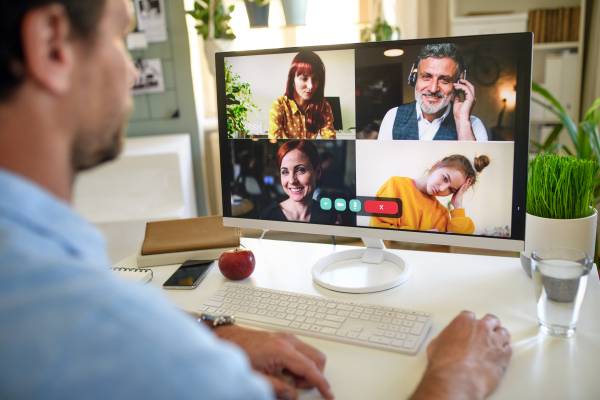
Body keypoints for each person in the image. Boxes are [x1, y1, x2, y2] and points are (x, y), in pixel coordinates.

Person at [0, 1, 511, 399]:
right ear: (51, 47)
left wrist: (214, 330)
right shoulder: (92, 322)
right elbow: (114, 330)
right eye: (117, 36)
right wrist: (457, 377)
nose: (132, 72)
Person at [377, 43, 488, 141]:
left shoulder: (473, 125)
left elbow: (474, 164)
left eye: (444, 79)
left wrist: (462, 121)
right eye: (426, 76)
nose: (433, 89)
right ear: (414, 79)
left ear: (457, 85)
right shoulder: (393, 117)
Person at [370, 155, 490, 234]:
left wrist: (458, 206)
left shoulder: (442, 214)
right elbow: (378, 230)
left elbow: (459, 242)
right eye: (444, 178)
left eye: (451, 190)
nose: (442, 188)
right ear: (436, 166)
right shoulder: (395, 185)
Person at [260, 140, 338, 224]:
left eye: (300, 170)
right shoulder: (268, 216)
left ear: (318, 172)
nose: (292, 180)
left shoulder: (330, 217)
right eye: (285, 172)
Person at [269, 51, 336, 140]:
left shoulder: (324, 106)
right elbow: (274, 139)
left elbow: (330, 139)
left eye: (315, 79)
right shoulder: (280, 105)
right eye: (304, 78)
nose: (310, 86)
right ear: (292, 79)